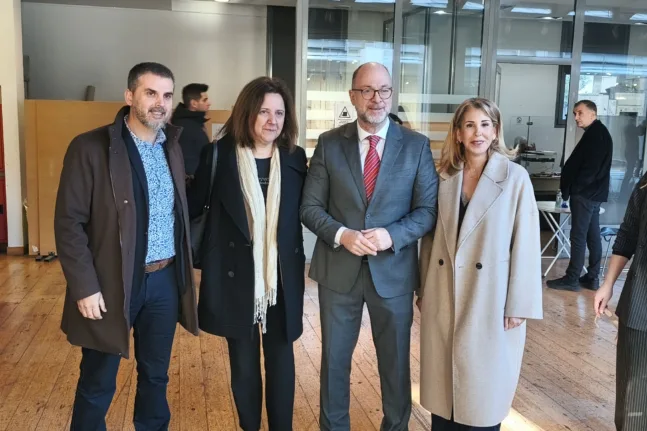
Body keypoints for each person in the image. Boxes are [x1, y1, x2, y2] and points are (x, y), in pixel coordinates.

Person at [54, 62, 199, 430]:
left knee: (156, 375)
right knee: (98, 379)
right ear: (130, 95)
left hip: (164, 280)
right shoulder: (91, 147)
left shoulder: (171, 147)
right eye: (151, 93)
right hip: (111, 282)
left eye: (167, 95)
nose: (160, 103)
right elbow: (69, 223)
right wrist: (84, 287)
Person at [300, 62, 438, 430]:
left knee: (395, 363)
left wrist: (393, 234)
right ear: (353, 96)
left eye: (383, 90)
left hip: (393, 273)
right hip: (338, 271)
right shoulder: (330, 143)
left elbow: (427, 211)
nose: (376, 98)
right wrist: (342, 234)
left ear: (391, 94)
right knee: (334, 362)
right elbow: (309, 208)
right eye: (367, 90)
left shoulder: (416, 146)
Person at [188, 76, 307, 431]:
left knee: (282, 360)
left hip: (280, 277)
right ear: (247, 113)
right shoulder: (218, 155)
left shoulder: (295, 158)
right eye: (263, 112)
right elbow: (193, 208)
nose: (272, 120)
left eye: (279, 113)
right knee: (243, 363)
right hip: (235, 274)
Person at [418, 98, 543, 430]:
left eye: (485, 125)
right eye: (470, 125)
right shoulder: (444, 177)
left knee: (482, 397)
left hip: (491, 297)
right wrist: (423, 289)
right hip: (444, 292)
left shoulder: (515, 178)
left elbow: (527, 244)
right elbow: (430, 238)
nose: (478, 133)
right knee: (444, 397)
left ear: (496, 131)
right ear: (458, 133)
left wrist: (519, 304)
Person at [594, 173, 647, 431]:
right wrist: (608, 284)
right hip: (640, 300)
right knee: (632, 395)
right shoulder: (646, 182)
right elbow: (627, 235)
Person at [547, 100, 613, 291]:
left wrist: (576, 187)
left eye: (580, 113)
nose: (576, 117)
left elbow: (591, 168)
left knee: (578, 235)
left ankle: (572, 278)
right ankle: (592, 277)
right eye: (574, 113)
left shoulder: (596, 134)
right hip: (592, 194)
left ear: (593, 113)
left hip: (585, 194)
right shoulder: (598, 132)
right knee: (592, 235)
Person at [171, 83, 211, 178]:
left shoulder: (195, 121)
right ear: (194, 104)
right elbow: (189, 163)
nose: (209, 103)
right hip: (192, 182)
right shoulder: (184, 126)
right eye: (204, 100)